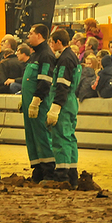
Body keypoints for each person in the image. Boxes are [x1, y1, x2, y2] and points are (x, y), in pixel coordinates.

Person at [21, 24, 56, 183]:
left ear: (40, 35)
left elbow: (45, 81)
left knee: (42, 136)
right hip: (30, 105)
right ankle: (38, 171)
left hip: (39, 105)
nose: (28, 36)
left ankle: (49, 172)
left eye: (31, 33)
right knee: (32, 137)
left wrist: (36, 100)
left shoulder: (46, 55)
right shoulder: (35, 54)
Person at [47, 29, 81, 187]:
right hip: (71, 102)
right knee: (70, 138)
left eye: (52, 42)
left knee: (61, 139)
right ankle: (72, 174)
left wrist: (56, 107)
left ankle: (62, 176)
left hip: (64, 103)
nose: (51, 45)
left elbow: (62, 84)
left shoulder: (65, 60)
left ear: (58, 42)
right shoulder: (72, 57)